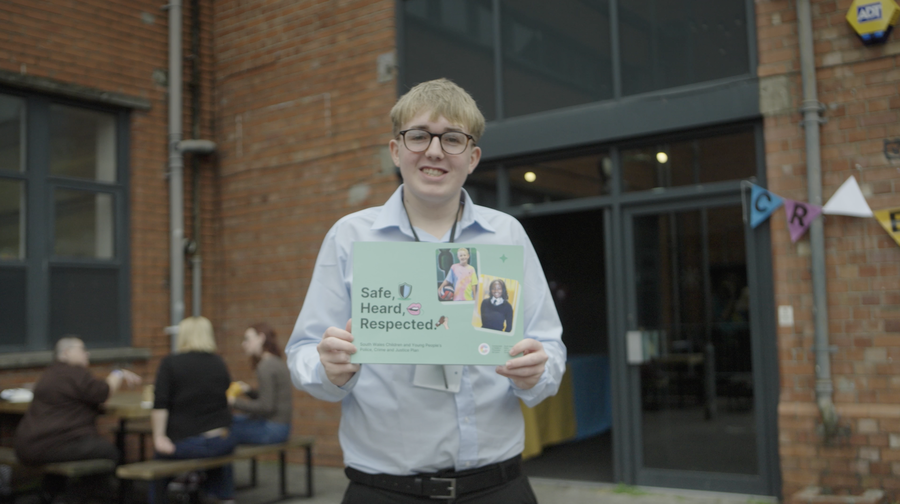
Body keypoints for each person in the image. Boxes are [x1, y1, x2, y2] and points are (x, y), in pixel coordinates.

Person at [286, 78, 565, 503]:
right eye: (418, 136)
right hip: (385, 491)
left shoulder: (506, 235)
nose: (434, 151)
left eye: (452, 139)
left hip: (498, 488)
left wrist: (536, 374)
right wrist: (328, 369)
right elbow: (303, 352)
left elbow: (549, 346)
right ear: (396, 150)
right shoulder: (349, 237)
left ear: (472, 158)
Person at [14, 336, 141, 465]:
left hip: (29, 446)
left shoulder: (50, 373)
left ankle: (54, 485)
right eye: (82, 349)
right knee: (109, 452)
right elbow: (103, 392)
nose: (87, 353)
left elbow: (92, 397)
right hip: (50, 445)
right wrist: (118, 373)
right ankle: (96, 486)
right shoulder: (74, 373)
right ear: (66, 353)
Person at [151, 316, 235, 504]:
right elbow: (226, 395)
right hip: (222, 441)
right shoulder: (218, 362)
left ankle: (160, 497)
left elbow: (160, 404)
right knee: (219, 457)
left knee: (159, 456)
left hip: (188, 442)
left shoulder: (170, 363)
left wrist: (159, 437)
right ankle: (224, 496)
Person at [228, 323, 293, 445]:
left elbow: (266, 407)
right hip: (282, 428)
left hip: (273, 430)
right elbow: (269, 399)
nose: (244, 344)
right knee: (233, 421)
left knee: (225, 430)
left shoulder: (265, 366)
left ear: (261, 338)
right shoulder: (275, 361)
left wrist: (234, 402)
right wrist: (248, 390)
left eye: (247, 339)